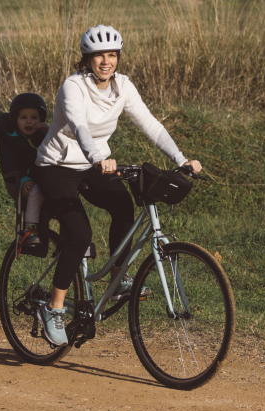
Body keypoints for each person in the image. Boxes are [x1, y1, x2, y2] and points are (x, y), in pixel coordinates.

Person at [32, 24, 202, 346]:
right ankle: (53, 309)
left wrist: (180, 158)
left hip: (92, 164)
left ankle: (117, 276)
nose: (106, 62)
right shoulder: (73, 87)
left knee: (124, 205)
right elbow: (79, 126)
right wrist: (98, 157)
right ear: (87, 59)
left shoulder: (122, 87)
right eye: (99, 56)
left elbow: (150, 124)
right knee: (80, 235)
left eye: (112, 55)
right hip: (56, 166)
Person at [0, 92, 51, 256]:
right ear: (15, 120)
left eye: (34, 117)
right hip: (24, 180)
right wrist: (23, 179)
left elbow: (58, 150)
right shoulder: (12, 141)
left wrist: (49, 132)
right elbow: (9, 164)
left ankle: (70, 235)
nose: (29, 121)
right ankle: (29, 229)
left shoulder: (42, 137)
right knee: (36, 191)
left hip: (47, 177)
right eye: (23, 117)